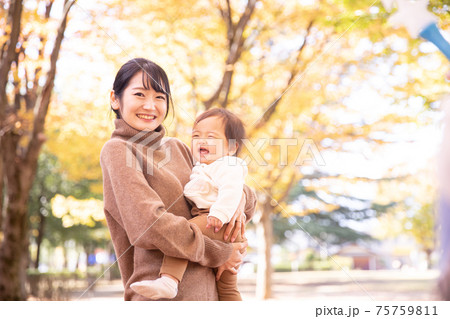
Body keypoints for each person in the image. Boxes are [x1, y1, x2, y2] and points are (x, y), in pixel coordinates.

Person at [100, 58, 257, 300]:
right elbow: (149, 227)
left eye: (160, 97)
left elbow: (241, 195)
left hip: (211, 295)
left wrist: (237, 199)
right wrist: (222, 251)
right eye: (140, 94)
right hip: (163, 300)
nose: (150, 106)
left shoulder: (179, 148)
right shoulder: (118, 150)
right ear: (115, 99)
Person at [130, 108, 248, 300]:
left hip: (216, 220)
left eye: (211, 137)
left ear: (232, 147)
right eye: (196, 136)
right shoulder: (204, 166)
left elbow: (232, 189)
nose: (202, 141)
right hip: (217, 223)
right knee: (227, 289)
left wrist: (219, 213)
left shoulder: (227, 164)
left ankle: (169, 280)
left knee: (184, 234)